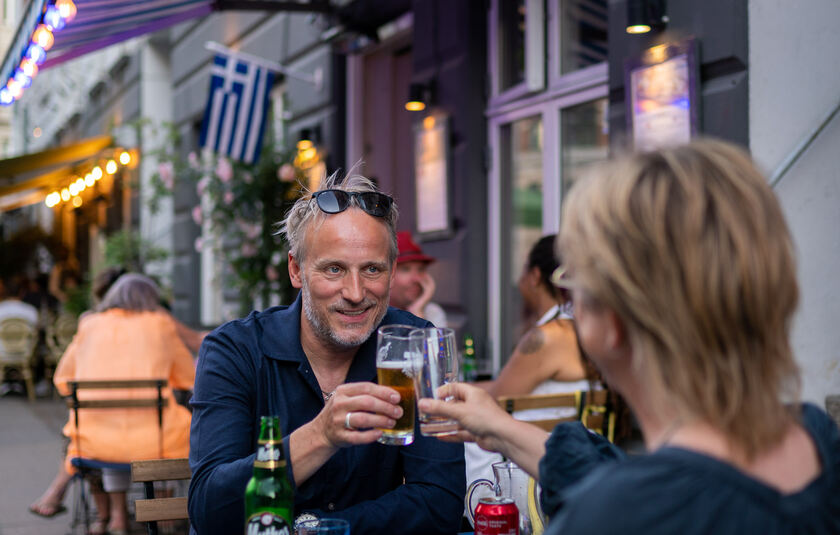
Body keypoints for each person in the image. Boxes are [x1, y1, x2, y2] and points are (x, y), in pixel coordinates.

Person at [419, 140, 840, 533]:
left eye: (574, 284)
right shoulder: (816, 437)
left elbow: (629, 495)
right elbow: (609, 474)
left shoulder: (613, 515)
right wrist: (498, 429)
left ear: (615, 321)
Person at [188, 172, 465, 535]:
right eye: (334, 269)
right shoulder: (235, 351)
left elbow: (440, 503)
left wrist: (318, 529)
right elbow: (210, 511)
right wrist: (321, 435)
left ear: (392, 272)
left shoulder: (416, 344)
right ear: (296, 270)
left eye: (372, 269)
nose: (355, 292)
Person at [53, 273, 196, 535]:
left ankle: (117, 518)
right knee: (180, 429)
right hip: (154, 442)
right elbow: (188, 377)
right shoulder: (160, 323)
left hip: (95, 442)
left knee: (110, 437)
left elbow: (63, 381)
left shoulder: (90, 324)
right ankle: (160, 512)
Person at [388, 230, 447, 327]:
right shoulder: (374, 314)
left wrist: (417, 311)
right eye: (405, 269)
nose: (416, 279)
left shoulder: (432, 312)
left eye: (421, 269)